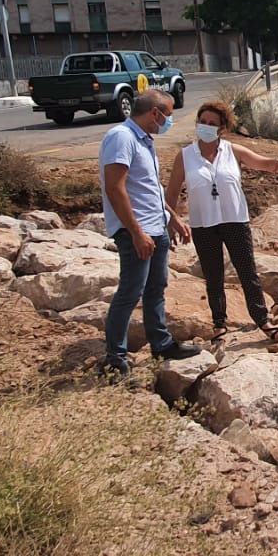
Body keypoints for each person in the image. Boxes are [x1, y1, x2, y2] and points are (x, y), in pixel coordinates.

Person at [165, 100, 278, 344]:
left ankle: (262, 320)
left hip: (235, 221)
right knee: (214, 277)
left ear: (222, 128)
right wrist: (172, 219)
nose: (206, 127)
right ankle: (219, 324)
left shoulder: (233, 151)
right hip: (203, 224)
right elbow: (171, 192)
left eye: (212, 124)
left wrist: (275, 163)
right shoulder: (185, 156)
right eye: (203, 122)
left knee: (247, 273)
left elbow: (260, 162)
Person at [99, 89, 200, 379]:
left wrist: (173, 218)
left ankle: (162, 344)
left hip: (156, 227)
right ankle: (114, 358)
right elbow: (115, 188)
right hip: (138, 231)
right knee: (130, 292)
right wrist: (136, 232)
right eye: (168, 114)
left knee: (157, 288)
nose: (169, 120)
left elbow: (150, 188)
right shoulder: (121, 138)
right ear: (154, 112)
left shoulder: (145, 140)